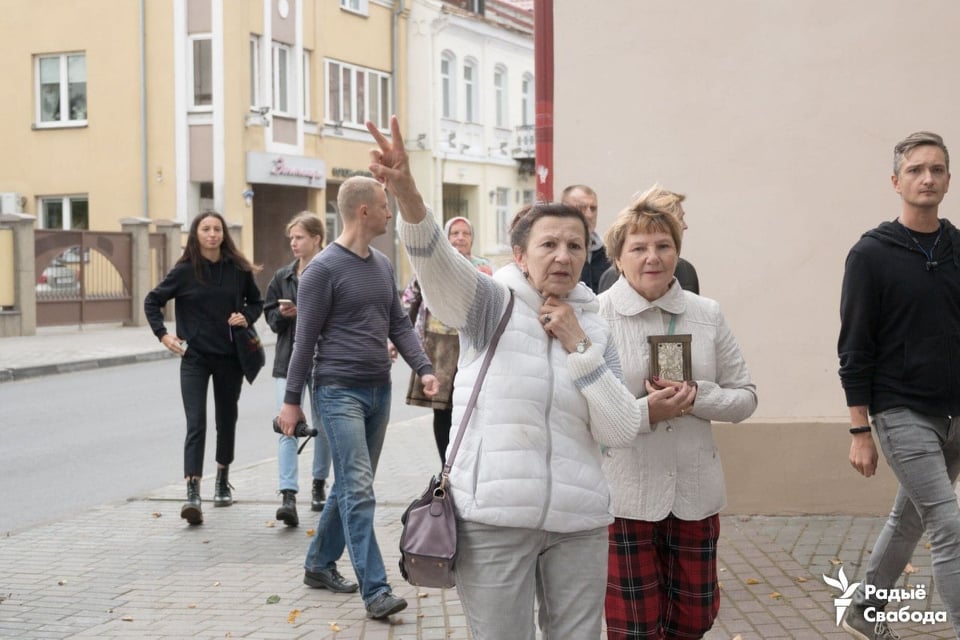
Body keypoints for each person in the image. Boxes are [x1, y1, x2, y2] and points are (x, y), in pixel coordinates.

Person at [367, 115, 679, 640]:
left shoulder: (594, 322)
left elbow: (621, 426)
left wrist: (578, 344)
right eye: (549, 244)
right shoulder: (493, 304)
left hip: (578, 523)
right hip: (494, 519)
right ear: (519, 255)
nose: (563, 255)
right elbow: (440, 270)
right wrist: (409, 196)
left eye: (575, 246)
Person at [276, 176, 439, 621]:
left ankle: (317, 563)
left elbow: (398, 324)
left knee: (350, 486)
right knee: (359, 488)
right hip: (335, 391)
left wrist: (424, 368)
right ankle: (377, 589)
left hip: (378, 390)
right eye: (386, 206)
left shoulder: (383, 264)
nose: (392, 213)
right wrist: (292, 401)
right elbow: (304, 341)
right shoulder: (322, 270)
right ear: (364, 210)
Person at [598, 189, 757, 640]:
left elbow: (746, 397)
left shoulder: (706, 314)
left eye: (663, 246)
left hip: (695, 492)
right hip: (625, 496)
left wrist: (697, 398)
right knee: (636, 628)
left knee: (695, 618)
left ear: (677, 252)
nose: (653, 257)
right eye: (639, 248)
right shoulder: (596, 315)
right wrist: (644, 411)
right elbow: (587, 411)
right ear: (618, 258)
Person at [838, 131, 960, 640]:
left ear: (948, 180)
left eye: (936, 169)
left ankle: (865, 608)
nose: (926, 178)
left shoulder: (958, 248)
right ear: (896, 181)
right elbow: (854, 345)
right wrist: (858, 430)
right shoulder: (870, 255)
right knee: (948, 524)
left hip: (955, 413)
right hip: (900, 410)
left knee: (910, 517)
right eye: (915, 170)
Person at [144, 211, 263, 525]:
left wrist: (246, 317)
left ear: (224, 234)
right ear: (196, 234)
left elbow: (256, 301)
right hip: (194, 359)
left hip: (229, 358)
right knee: (195, 422)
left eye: (217, 229)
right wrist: (163, 335)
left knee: (226, 420)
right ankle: (192, 491)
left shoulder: (237, 269)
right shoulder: (184, 271)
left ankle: (222, 479)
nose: (212, 234)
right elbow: (152, 300)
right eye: (205, 229)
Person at [402, 215, 492, 464]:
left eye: (466, 233)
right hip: (438, 344)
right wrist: (397, 340)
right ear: (446, 238)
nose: (460, 238)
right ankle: (446, 466)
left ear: (472, 239)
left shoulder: (483, 267)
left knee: (468, 409)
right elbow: (410, 300)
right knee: (442, 410)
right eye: (455, 233)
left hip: (471, 344)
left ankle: (464, 462)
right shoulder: (432, 264)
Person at [263, 212, 331, 527]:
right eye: (291, 238)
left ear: (317, 238)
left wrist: (306, 311)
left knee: (324, 427)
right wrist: (285, 315)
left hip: (324, 362)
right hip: (288, 361)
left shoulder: (331, 270)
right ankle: (288, 495)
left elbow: (338, 316)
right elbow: (271, 319)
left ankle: (319, 484)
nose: (294, 243)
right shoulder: (282, 277)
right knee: (285, 426)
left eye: (300, 237)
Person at [597, 185, 699, 294]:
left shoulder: (686, 272)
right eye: (639, 249)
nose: (685, 226)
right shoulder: (609, 286)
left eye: (663, 246)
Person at [561, 184, 610, 293]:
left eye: (593, 208)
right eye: (581, 208)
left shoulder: (609, 253)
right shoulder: (554, 252)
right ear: (564, 210)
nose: (589, 215)